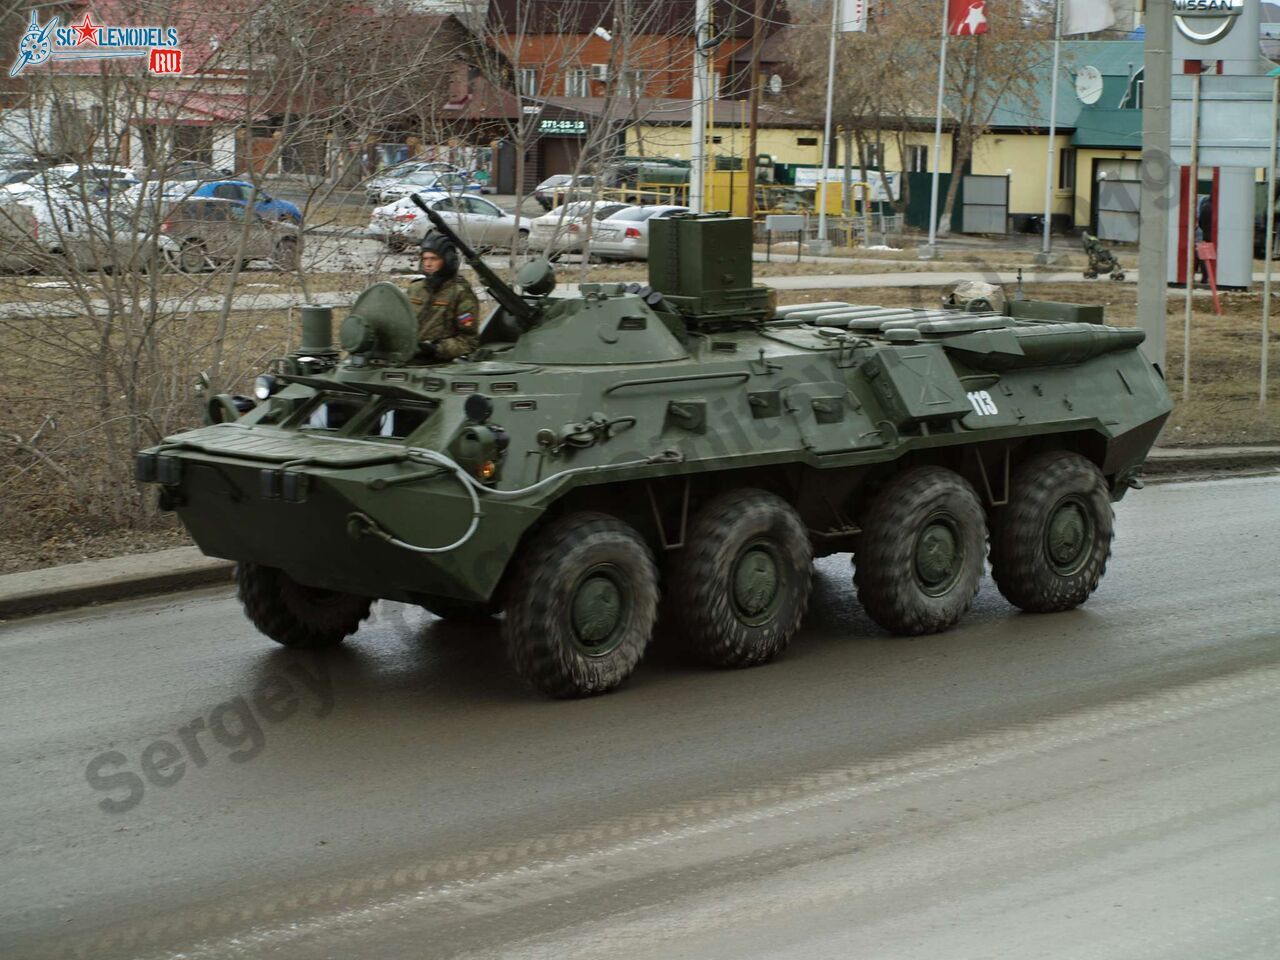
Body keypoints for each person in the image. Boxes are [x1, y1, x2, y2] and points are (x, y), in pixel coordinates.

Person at [406, 232, 480, 362]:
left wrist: (435, 349)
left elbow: (468, 341)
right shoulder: (415, 289)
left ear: (447, 260)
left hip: (439, 364)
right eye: (425, 259)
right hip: (407, 359)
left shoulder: (460, 293)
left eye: (434, 259)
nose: (428, 264)